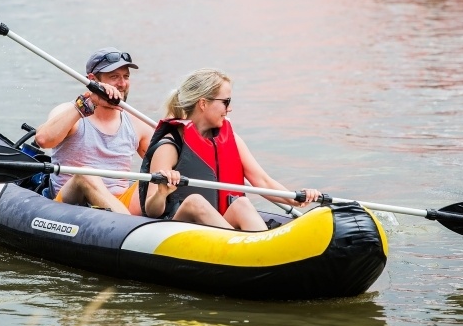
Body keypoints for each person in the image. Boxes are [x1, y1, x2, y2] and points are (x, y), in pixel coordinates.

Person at [139, 68, 320, 230]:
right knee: (195, 202)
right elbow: (152, 210)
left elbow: (263, 181)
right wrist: (161, 194)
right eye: (226, 101)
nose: (230, 108)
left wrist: (297, 198)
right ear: (203, 103)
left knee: (241, 203)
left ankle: (256, 250)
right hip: (180, 230)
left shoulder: (231, 140)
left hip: (219, 227)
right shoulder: (170, 145)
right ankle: (245, 247)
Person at [35, 47, 153, 214]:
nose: (122, 84)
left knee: (161, 179)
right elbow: (43, 140)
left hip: (120, 203)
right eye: (114, 77)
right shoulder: (69, 111)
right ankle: (132, 229)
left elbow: (162, 160)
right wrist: (86, 104)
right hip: (71, 202)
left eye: (126, 76)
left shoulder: (137, 122)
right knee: (86, 174)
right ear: (92, 80)